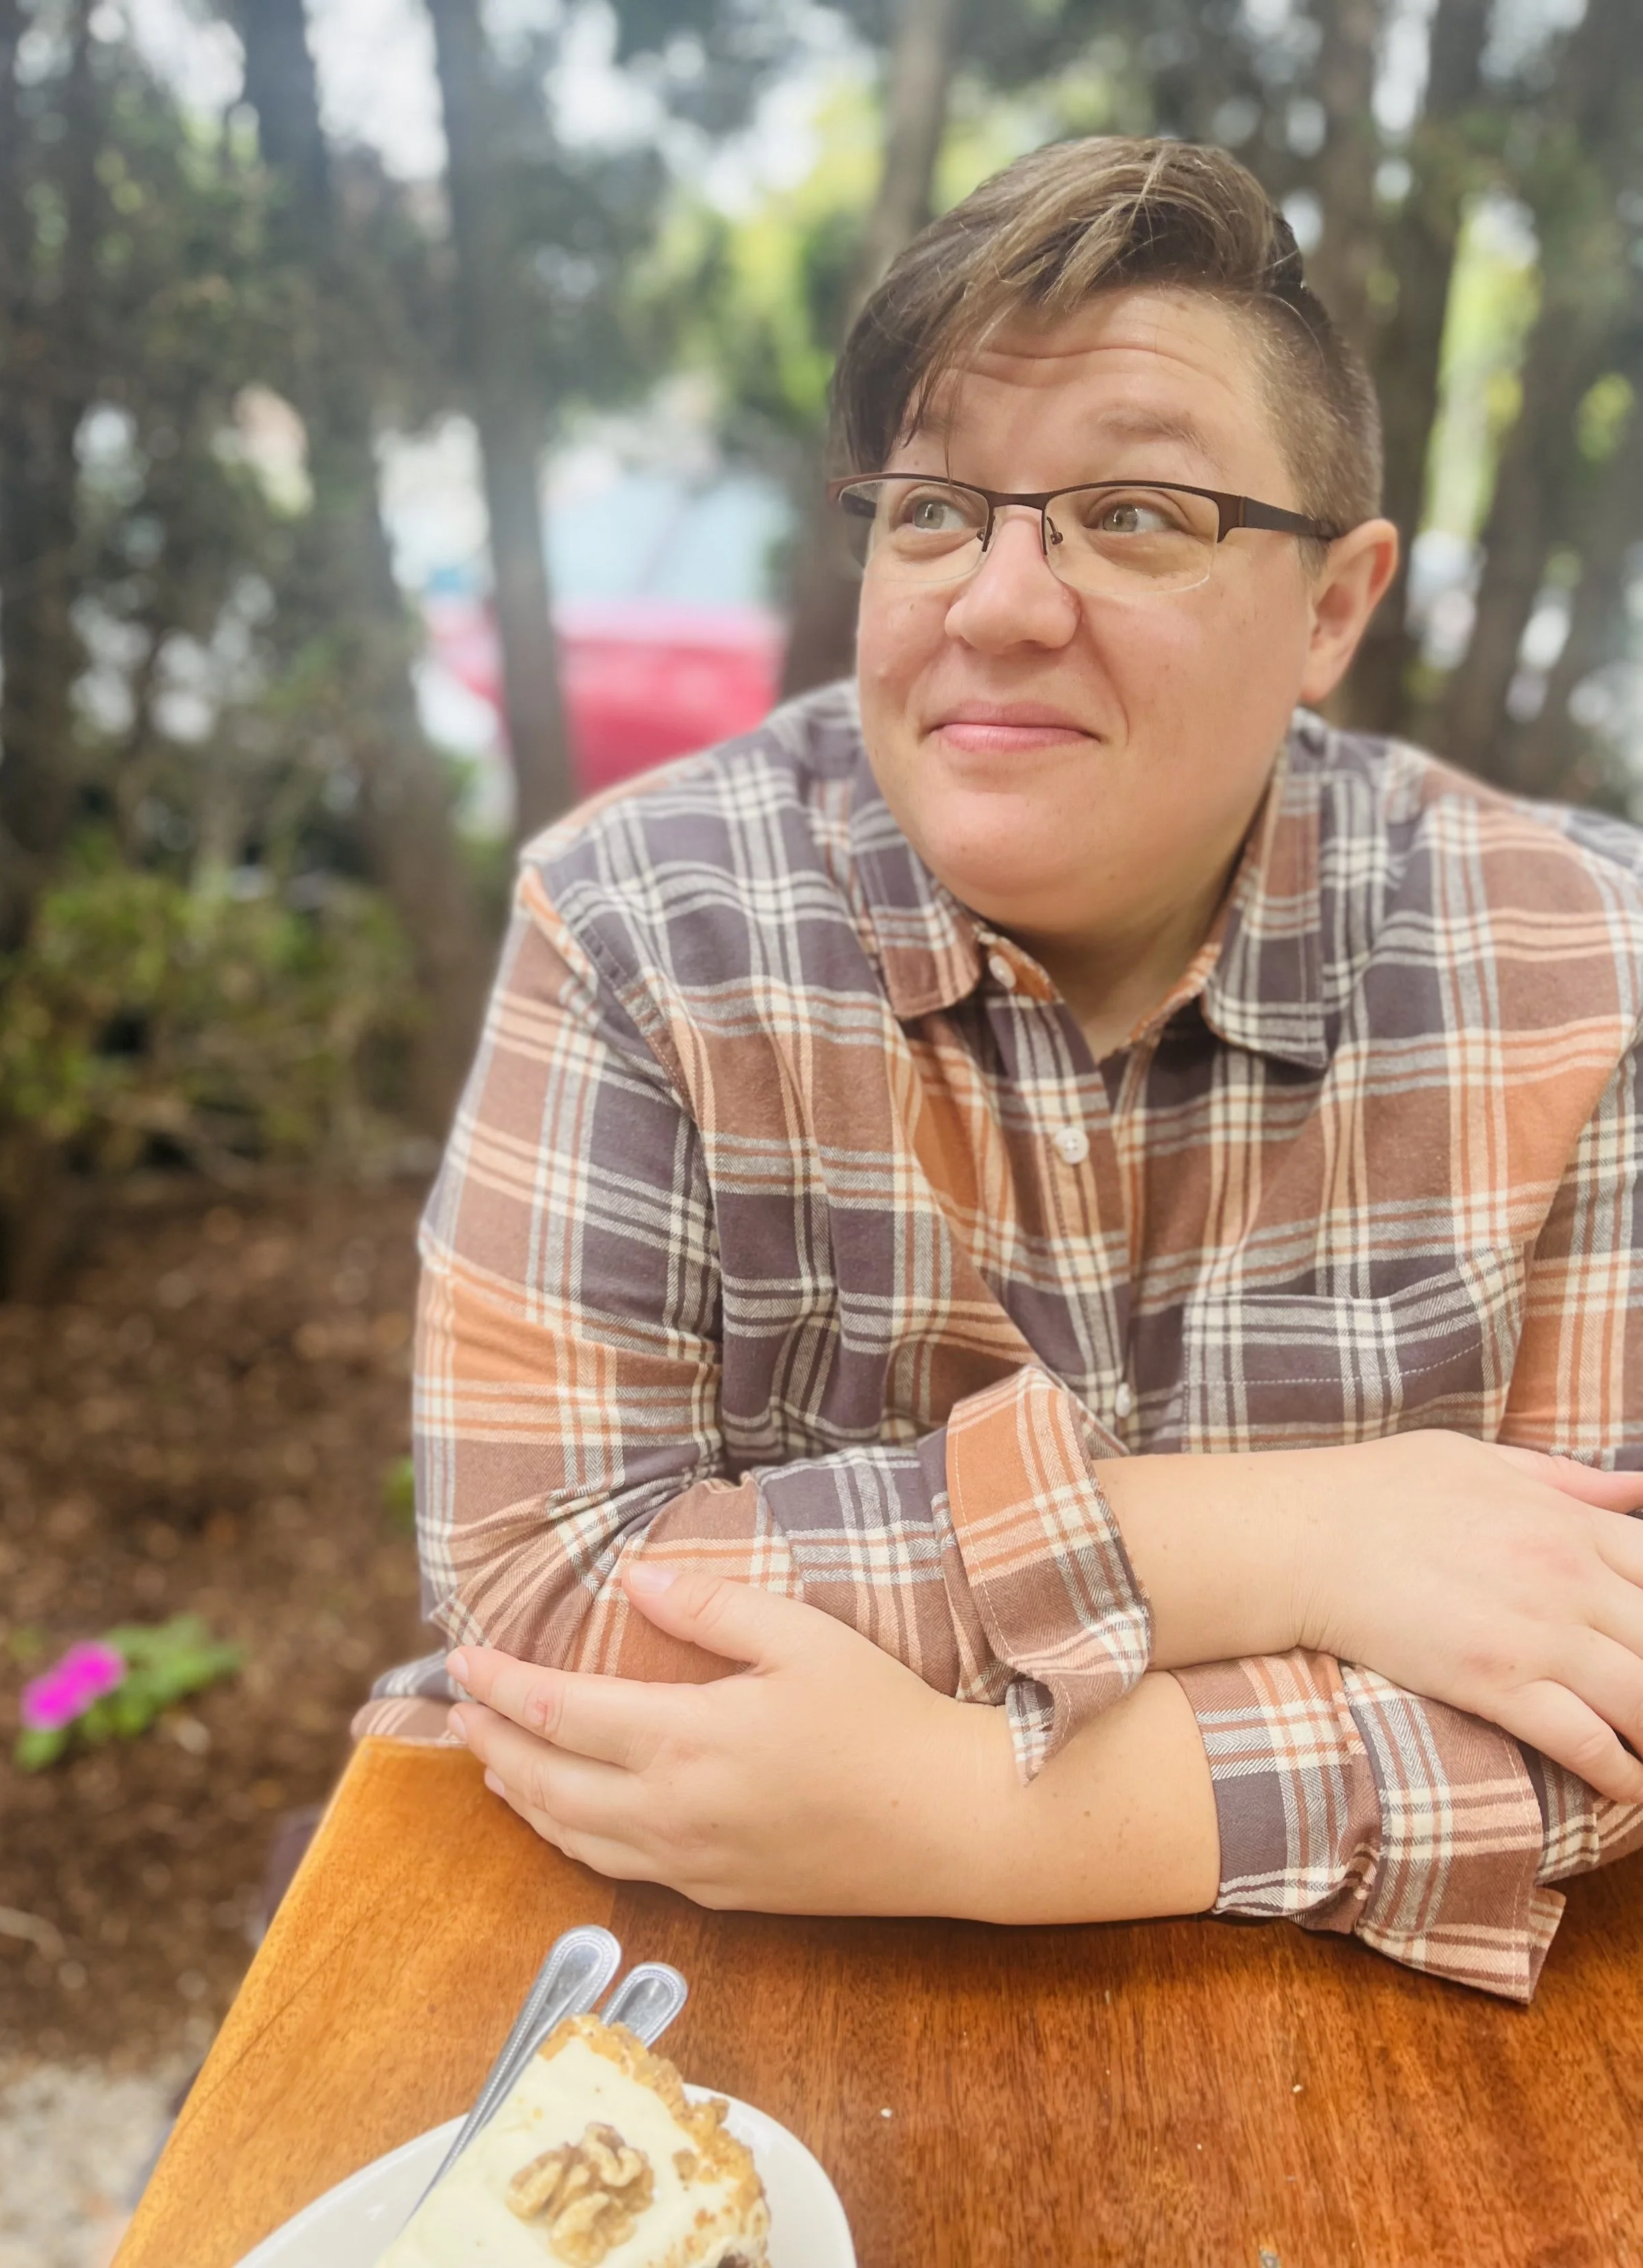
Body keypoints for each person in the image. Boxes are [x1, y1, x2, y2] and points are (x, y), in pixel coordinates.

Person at [357, 136, 1643, 2002]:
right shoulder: (640, 924)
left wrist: (997, 1817)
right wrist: (1297, 1536)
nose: (998, 601)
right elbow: (546, 1607)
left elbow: (1608, 1675)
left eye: (1134, 513)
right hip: (686, 1986)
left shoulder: (1583, 959)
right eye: (933, 509)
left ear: (1332, 609)